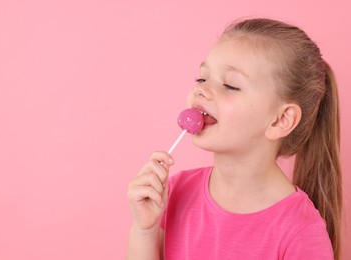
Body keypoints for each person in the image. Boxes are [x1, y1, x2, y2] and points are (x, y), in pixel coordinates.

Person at [126, 18, 342, 260]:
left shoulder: (300, 230)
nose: (201, 89)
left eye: (229, 85)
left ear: (281, 120)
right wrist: (145, 230)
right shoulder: (176, 191)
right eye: (201, 78)